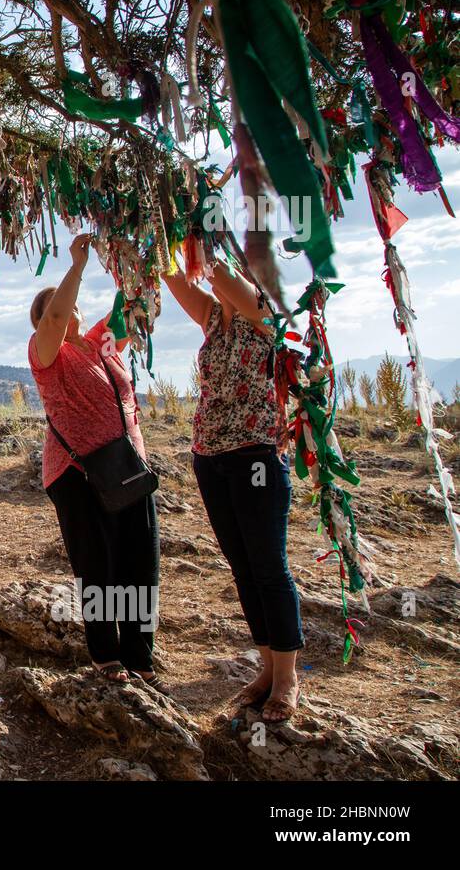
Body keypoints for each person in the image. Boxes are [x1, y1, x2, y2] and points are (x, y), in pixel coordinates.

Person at [163, 258, 301, 722]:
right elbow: (169, 273)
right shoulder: (213, 318)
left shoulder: (264, 315)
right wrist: (146, 218)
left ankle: (287, 679)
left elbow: (216, 272)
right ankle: (265, 668)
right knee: (242, 568)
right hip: (210, 457)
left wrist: (198, 224)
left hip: (257, 455)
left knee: (269, 567)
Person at [28, 234, 163, 689]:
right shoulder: (47, 354)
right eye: (59, 309)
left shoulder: (100, 345)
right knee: (99, 567)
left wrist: (141, 245)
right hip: (76, 474)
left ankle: (141, 662)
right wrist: (78, 266)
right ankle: (107, 659)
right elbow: (57, 317)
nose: (71, 312)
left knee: (141, 564)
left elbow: (135, 300)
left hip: (128, 468)